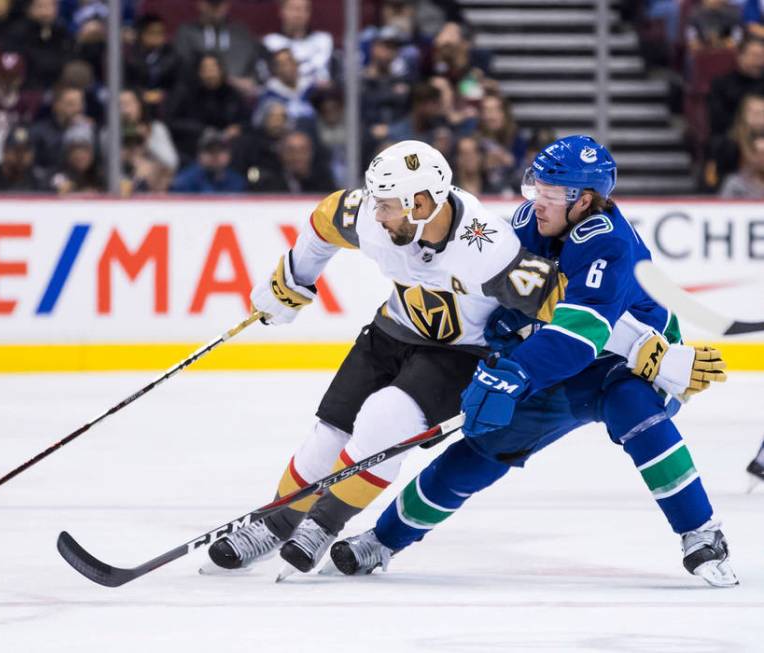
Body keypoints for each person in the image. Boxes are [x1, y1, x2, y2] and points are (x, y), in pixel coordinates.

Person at [330, 136, 737, 588]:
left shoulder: (608, 243)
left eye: (549, 195)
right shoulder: (529, 221)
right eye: (535, 188)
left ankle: (703, 532)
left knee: (636, 412)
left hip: (625, 364)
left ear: (583, 201)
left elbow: (579, 334)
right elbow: (508, 297)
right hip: (562, 363)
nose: (535, 203)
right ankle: (384, 540)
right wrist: (503, 349)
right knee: (483, 446)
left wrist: (516, 372)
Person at [207, 139, 574, 574]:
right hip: (391, 332)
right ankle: (277, 522)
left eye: (387, 206)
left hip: (458, 354)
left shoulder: (487, 248)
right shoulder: (371, 216)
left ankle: (322, 524)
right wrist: (292, 280)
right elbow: (327, 217)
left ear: (422, 203)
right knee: (329, 434)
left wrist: (644, 346)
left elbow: (575, 306)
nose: (376, 215)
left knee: (386, 420)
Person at [170, 128, 246, 193]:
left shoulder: (237, 181)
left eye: (220, 151)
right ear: (199, 155)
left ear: (229, 154)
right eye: (210, 151)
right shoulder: (184, 182)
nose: (215, 156)